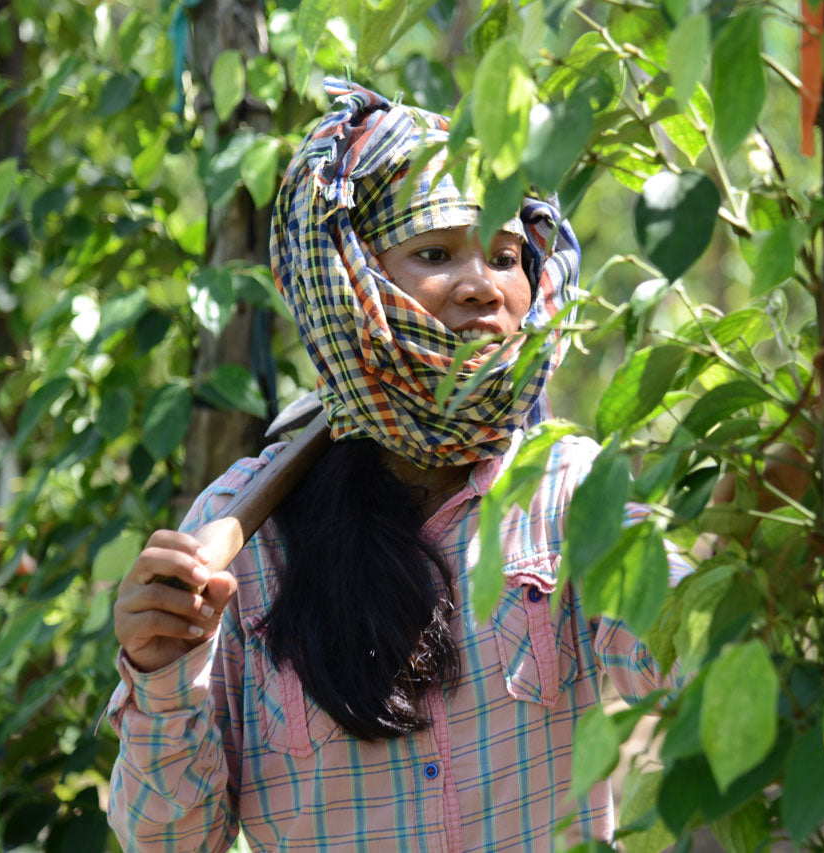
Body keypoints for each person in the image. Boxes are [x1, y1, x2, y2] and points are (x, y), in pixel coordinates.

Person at [106, 79, 689, 852]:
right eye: (436, 252)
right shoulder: (245, 537)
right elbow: (173, 841)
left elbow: (696, 672)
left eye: (508, 255)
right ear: (353, 284)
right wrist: (161, 670)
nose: (483, 285)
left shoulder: (567, 491)